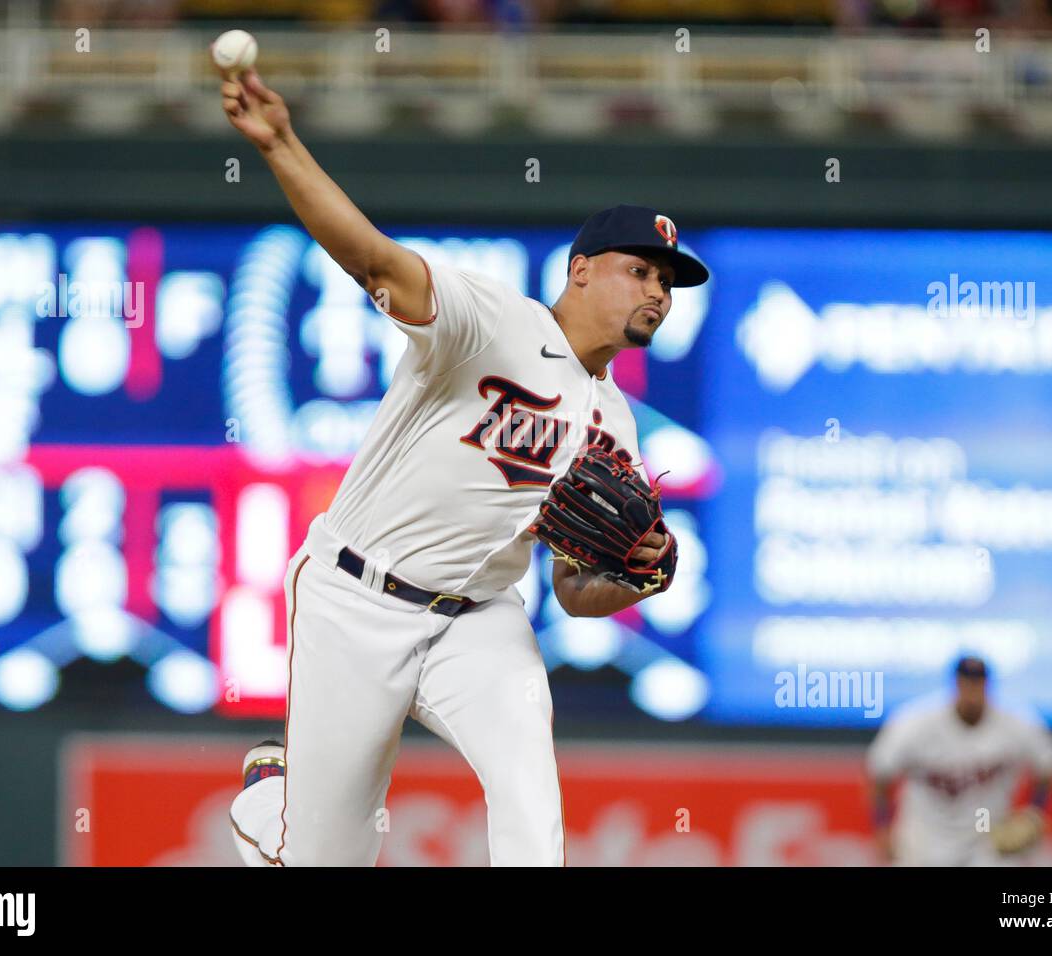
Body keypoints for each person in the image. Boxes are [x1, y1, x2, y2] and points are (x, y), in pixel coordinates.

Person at [217, 67, 710, 866]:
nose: (658, 291)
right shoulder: (491, 321)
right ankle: (267, 796)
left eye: (667, 281)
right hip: (356, 597)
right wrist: (281, 144)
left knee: (529, 793)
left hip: (478, 620)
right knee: (319, 860)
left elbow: (574, 591)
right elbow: (373, 262)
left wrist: (640, 576)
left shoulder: (614, 424)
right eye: (641, 270)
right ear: (581, 268)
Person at [867, 655, 1052, 866]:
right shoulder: (916, 722)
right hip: (925, 840)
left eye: (978, 680)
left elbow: (1049, 763)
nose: (972, 687)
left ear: (987, 684)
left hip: (985, 836)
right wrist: (882, 827)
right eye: (967, 680)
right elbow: (880, 773)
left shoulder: (1016, 723)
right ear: (956, 683)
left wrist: (1034, 813)